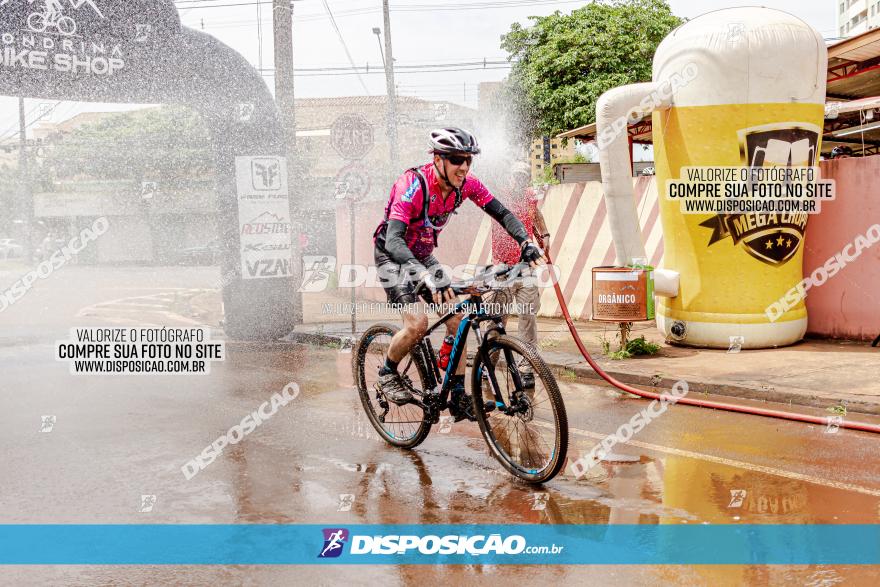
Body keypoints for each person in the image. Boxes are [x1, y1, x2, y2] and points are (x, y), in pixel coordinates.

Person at [372, 127, 544, 422]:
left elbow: (502, 213)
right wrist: (424, 275)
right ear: (437, 159)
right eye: (455, 159)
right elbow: (395, 240)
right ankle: (387, 373)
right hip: (392, 254)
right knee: (417, 324)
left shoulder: (468, 185)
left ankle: (457, 393)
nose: (463, 166)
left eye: (467, 160)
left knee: (458, 320)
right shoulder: (412, 185)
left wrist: (525, 242)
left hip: (423, 254)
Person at [489, 161, 550, 388]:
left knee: (528, 318)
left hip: (526, 267)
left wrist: (545, 235)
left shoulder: (529, 197)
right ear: (510, 176)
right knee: (497, 320)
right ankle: (489, 365)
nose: (520, 179)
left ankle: (526, 370)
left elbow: (536, 215)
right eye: (517, 175)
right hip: (502, 268)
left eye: (524, 176)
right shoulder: (498, 197)